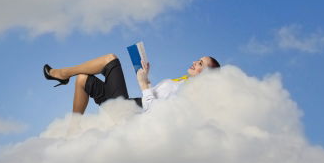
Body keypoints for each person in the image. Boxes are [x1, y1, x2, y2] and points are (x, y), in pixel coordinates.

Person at [42, 53, 220, 114]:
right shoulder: (182, 82)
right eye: (198, 60)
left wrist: (143, 86)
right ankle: (73, 132)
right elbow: (158, 99)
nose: (195, 62)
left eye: (201, 64)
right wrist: (147, 79)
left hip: (131, 114)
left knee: (110, 59)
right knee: (83, 79)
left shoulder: (188, 92)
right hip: (129, 107)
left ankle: (62, 74)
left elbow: (156, 114)